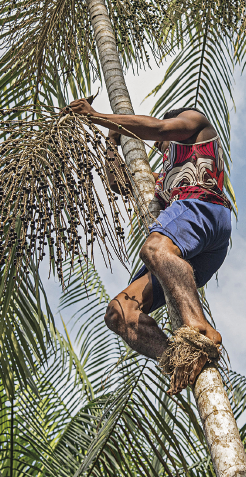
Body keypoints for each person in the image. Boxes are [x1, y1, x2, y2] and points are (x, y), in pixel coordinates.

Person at [67, 99, 232, 394]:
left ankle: (201, 330)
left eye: (162, 144)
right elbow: (119, 183)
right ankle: (180, 357)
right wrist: (111, 143)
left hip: (203, 207)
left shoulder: (195, 123)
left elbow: (157, 127)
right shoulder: (163, 180)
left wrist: (97, 117)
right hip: (194, 243)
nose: (160, 148)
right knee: (119, 312)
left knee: (154, 249)